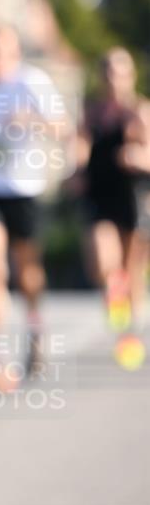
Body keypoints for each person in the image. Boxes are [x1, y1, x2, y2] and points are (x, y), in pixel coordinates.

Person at [0, 24, 70, 391]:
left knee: (28, 273)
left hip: (22, 187)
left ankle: (35, 328)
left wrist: (31, 120)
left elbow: (64, 128)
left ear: (15, 52)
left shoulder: (32, 82)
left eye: (1, 50)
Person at [80, 47, 150, 365]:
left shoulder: (140, 112)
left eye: (120, 72)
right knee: (103, 261)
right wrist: (74, 171)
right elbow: (78, 149)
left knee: (131, 271)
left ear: (131, 76)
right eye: (108, 71)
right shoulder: (91, 113)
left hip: (132, 197)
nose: (113, 78)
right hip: (100, 196)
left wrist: (138, 157)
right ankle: (118, 314)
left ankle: (129, 336)